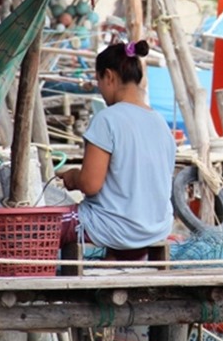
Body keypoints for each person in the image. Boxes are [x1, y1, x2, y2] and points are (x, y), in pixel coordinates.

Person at [59, 40, 176, 257]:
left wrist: (73, 176)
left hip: (114, 229)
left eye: (99, 81)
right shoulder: (160, 122)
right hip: (157, 227)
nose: (100, 89)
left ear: (109, 76)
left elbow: (90, 184)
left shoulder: (107, 119)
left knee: (42, 223)